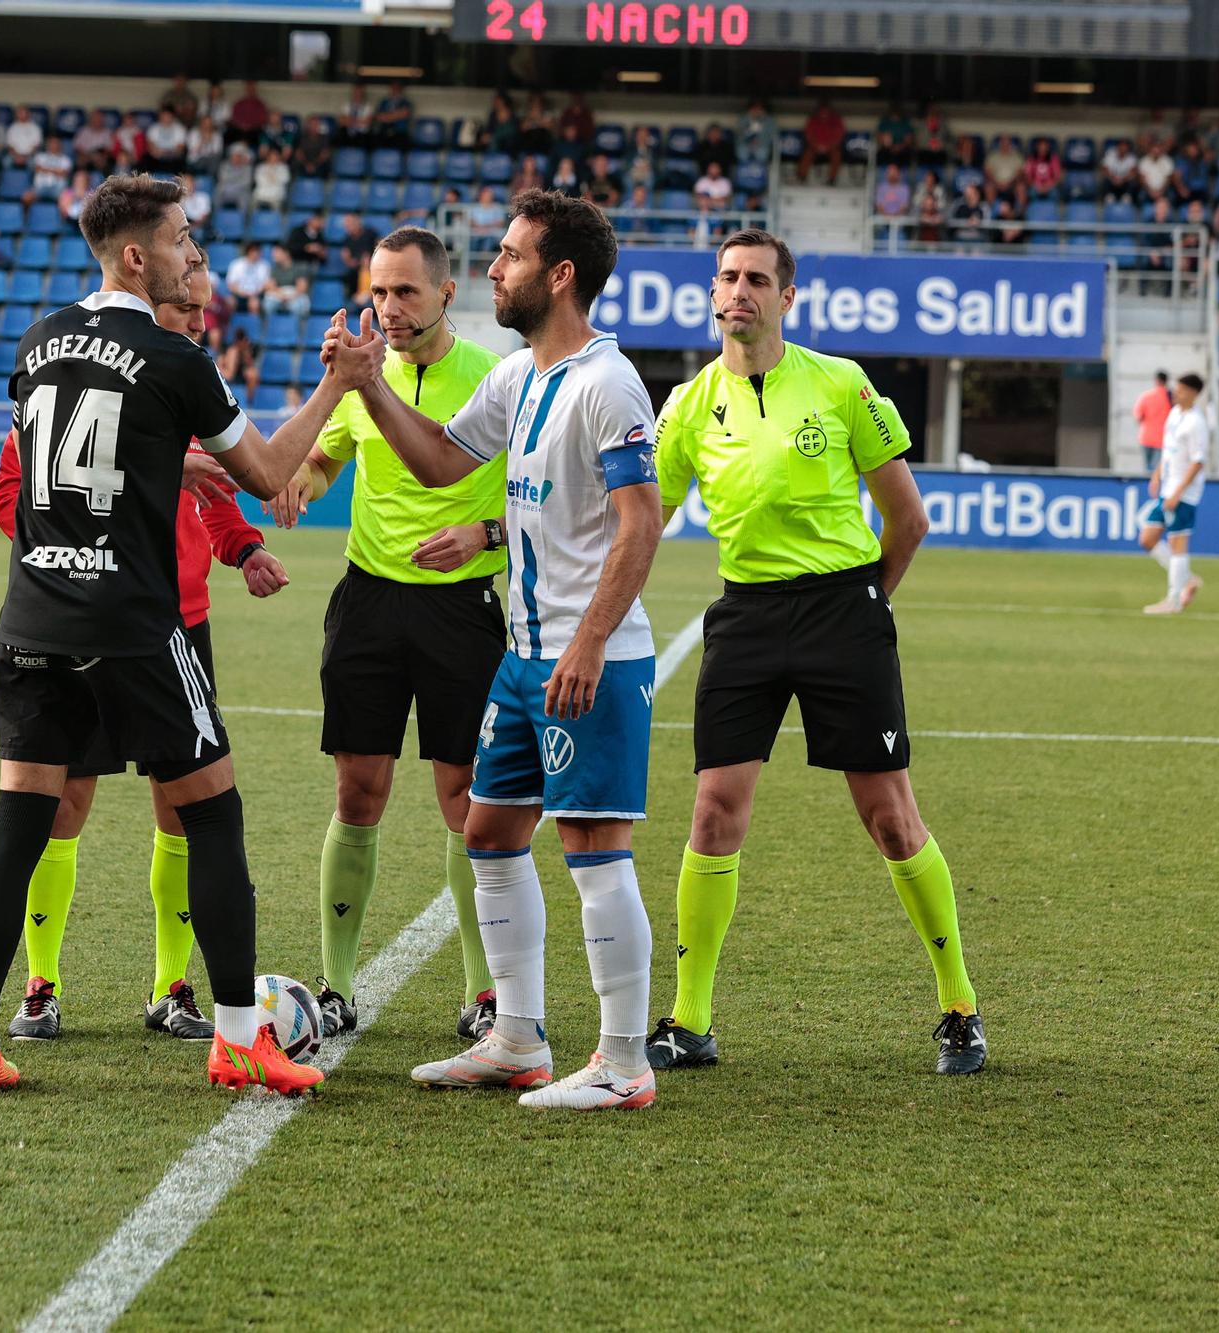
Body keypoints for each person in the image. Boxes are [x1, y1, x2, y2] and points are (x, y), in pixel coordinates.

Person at [0, 174, 353, 1097]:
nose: (192, 255)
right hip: (133, 625)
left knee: (18, 828)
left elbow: (74, 450)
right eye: (181, 240)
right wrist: (339, 381)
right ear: (139, 255)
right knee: (214, 813)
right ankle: (241, 1037)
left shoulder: (38, 338)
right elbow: (268, 471)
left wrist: (176, 460)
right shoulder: (173, 355)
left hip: (32, 620)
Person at [322, 192, 664, 1112]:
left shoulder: (607, 383)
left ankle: (626, 1062)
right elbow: (438, 459)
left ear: (560, 276)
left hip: (586, 658)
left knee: (595, 847)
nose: (492, 270)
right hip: (520, 655)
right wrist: (364, 382)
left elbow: (642, 524)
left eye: (509, 256)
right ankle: (516, 1037)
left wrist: (588, 642)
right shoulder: (520, 377)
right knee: (488, 832)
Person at [646, 226, 986, 1076]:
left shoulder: (841, 384)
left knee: (890, 817)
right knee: (714, 811)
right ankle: (690, 1020)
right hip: (746, 616)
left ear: (787, 298)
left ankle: (958, 1005)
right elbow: (643, 517)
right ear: (712, 292)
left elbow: (908, 519)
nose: (739, 292)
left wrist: (869, 606)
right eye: (727, 277)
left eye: (757, 279)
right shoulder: (687, 406)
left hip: (844, 611)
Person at [0, 268, 289, 1042]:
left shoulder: (185, 378)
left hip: (179, 624)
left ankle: (172, 986)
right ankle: (40, 984)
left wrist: (245, 548)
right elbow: (14, 495)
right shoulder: (89, 377)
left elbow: (219, 491)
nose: (196, 317)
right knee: (63, 805)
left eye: (201, 309)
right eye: (186, 304)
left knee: (182, 812)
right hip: (89, 621)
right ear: (151, 295)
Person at [260, 227, 507, 1041]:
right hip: (368, 603)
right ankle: (334, 984)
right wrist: (304, 479)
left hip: (461, 611)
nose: (389, 307)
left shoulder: (497, 378)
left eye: (405, 291)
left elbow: (542, 497)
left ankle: (482, 991)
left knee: (464, 799)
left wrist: (486, 534)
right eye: (378, 291)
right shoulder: (360, 373)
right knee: (357, 792)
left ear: (446, 293)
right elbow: (329, 456)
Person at [1140, 373, 1208, 616]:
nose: (1175, 393)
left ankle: (1174, 600)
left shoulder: (1197, 423)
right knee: (1147, 538)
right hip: (1168, 487)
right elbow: (1169, 450)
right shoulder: (1174, 414)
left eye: (1180, 390)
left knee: (1177, 542)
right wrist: (1157, 473)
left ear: (1193, 392)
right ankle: (1188, 580)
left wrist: (1179, 492)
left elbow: (1198, 462)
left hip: (1184, 493)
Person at [1134, 371, 1172, 478]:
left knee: (1147, 469)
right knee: (1157, 470)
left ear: (1156, 381)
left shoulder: (1146, 396)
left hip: (1146, 437)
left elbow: (1138, 416)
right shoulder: (1170, 397)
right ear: (1166, 381)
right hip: (1162, 439)